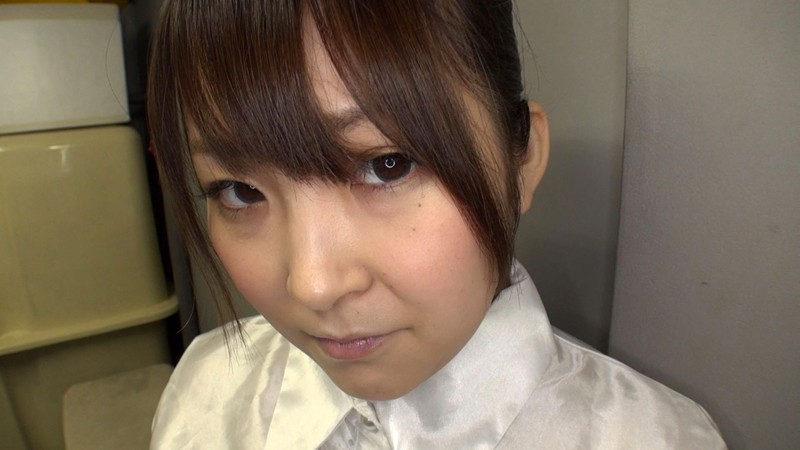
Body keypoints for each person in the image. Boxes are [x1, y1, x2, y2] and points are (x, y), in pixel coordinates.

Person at [147, 1, 727, 448]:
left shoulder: (657, 438)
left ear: (522, 159)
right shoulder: (205, 391)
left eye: (387, 165)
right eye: (240, 191)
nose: (314, 285)